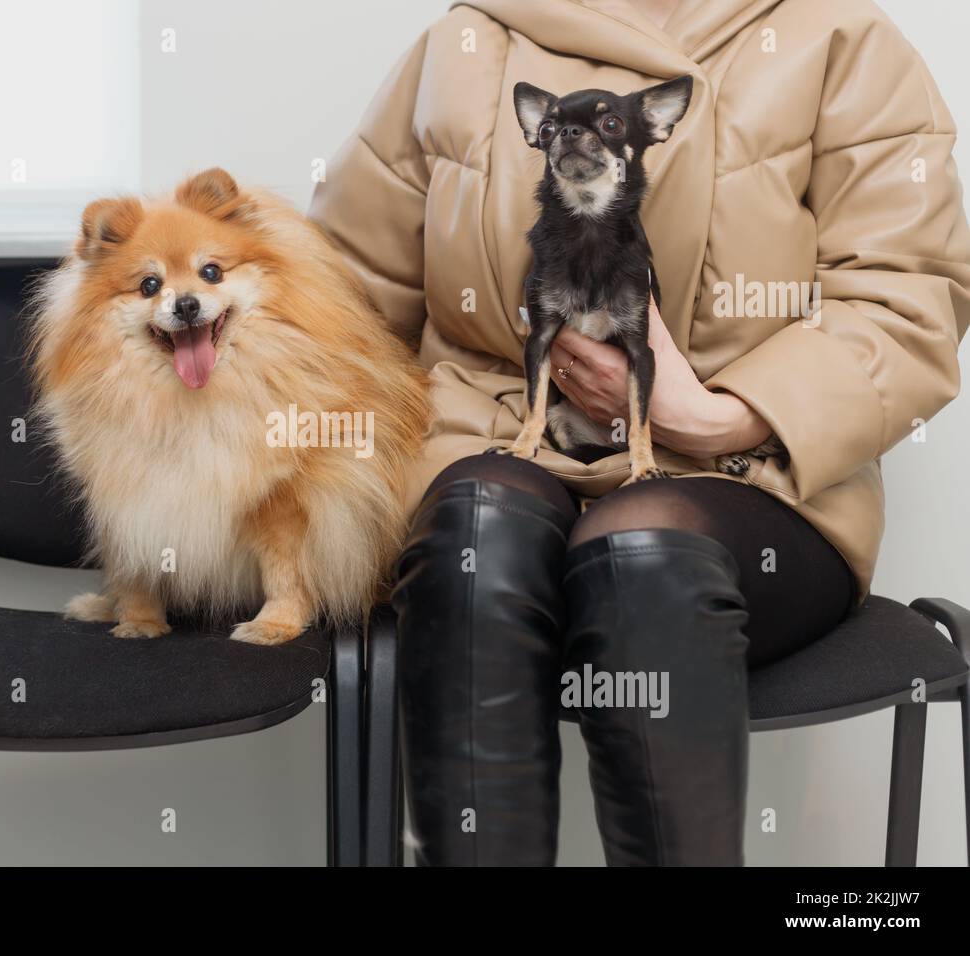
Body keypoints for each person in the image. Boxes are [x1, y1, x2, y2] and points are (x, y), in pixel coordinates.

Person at [310, 0, 970, 865]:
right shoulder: (464, 45)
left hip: (746, 476)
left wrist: (711, 414)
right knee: (478, 530)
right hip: (503, 438)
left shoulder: (839, 38)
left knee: (642, 553)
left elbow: (908, 294)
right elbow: (343, 301)